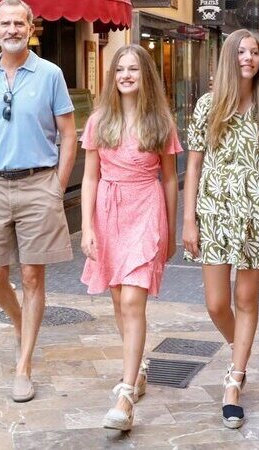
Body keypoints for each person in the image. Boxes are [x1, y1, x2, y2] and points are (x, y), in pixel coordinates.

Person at [0, 0, 77, 403]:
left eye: (19, 23)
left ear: (31, 27)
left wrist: (57, 187)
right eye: (5, 23)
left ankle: (23, 365)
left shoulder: (51, 75)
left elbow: (69, 134)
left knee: (31, 277)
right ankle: (20, 320)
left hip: (38, 183)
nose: (12, 29)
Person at [182, 29, 259, 429]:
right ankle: (238, 348)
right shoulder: (208, 106)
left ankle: (235, 380)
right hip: (213, 213)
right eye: (241, 52)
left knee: (246, 302)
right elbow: (192, 166)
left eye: (254, 52)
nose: (248, 58)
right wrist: (188, 219)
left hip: (255, 216)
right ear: (229, 57)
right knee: (215, 304)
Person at [80, 44, 181, 431]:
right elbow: (90, 177)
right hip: (108, 211)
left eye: (133, 69)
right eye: (120, 69)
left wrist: (170, 229)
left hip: (145, 210)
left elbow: (170, 178)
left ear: (146, 76)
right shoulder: (99, 120)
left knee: (134, 300)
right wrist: (87, 227)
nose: (125, 75)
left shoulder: (159, 121)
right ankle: (137, 370)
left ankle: (125, 396)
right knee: (120, 299)